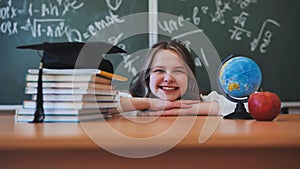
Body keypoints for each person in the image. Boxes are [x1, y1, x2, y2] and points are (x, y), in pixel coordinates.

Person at [114, 40, 236, 116]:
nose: (168, 78)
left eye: (178, 71)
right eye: (159, 70)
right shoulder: (131, 101)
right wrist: (150, 104)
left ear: (190, 77)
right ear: (148, 76)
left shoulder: (205, 100)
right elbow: (98, 105)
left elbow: (249, 105)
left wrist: (191, 109)